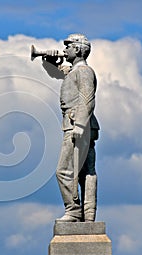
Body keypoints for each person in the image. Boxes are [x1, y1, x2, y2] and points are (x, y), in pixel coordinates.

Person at [42, 34, 100, 222]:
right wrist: (51, 62)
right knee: (85, 171)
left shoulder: (83, 71)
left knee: (65, 171)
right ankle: (87, 215)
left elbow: (87, 99)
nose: (64, 50)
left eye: (68, 47)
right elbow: (62, 74)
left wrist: (80, 125)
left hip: (77, 125)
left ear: (77, 49)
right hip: (76, 125)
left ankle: (74, 210)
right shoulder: (76, 71)